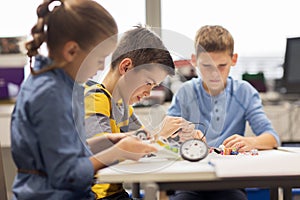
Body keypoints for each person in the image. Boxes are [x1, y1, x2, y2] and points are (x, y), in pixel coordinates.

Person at [10, 1, 157, 199]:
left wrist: (109, 141)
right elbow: (67, 174)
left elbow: (66, 148)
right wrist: (117, 152)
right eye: (98, 60)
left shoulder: (62, 86)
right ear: (71, 51)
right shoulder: (49, 94)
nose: (100, 68)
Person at [84, 25, 202, 199]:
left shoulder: (123, 106)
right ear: (125, 67)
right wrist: (157, 133)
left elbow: (143, 149)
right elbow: (102, 153)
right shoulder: (95, 97)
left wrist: (178, 139)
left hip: (117, 195)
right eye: (148, 83)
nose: (148, 93)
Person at [167, 25, 280, 200]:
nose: (214, 74)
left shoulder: (244, 92)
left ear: (233, 59)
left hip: (230, 183)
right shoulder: (185, 93)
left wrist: (250, 142)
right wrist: (183, 136)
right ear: (194, 60)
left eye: (221, 66)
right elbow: (165, 137)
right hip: (189, 181)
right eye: (206, 66)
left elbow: (271, 138)